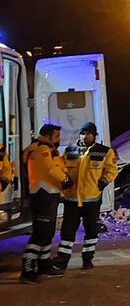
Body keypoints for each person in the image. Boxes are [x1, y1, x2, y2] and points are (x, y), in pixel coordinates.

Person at [54, 122, 117, 271]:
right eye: (82, 133)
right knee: (67, 231)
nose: (84, 136)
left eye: (88, 133)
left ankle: (87, 259)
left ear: (94, 135)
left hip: (92, 199)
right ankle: (62, 260)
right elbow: (60, 168)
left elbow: (112, 170)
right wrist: (64, 181)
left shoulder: (104, 152)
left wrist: (104, 181)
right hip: (72, 200)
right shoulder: (70, 151)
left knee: (91, 230)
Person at [20, 123, 72, 284]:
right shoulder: (41, 149)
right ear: (48, 135)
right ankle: (27, 270)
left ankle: (44, 264)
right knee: (40, 234)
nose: (59, 139)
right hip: (43, 196)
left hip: (49, 195)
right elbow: (50, 169)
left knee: (47, 233)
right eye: (56, 136)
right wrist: (65, 180)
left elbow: (58, 167)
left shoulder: (47, 148)